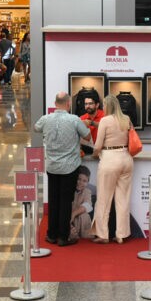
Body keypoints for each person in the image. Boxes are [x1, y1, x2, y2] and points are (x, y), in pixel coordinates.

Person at [34, 92, 91, 246]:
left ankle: (51, 235)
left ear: (55, 102)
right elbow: (88, 136)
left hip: (52, 166)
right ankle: (63, 237)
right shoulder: (74, 120)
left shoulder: (46, 119)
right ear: (68, 104)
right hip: (69, 167)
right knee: (66, 202)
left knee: (53, 200)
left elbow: (36, 128)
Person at [90, 95, 134, 244]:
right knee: (123, 199)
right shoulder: (126, 119)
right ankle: (121, 234)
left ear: (107, 106)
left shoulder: (105, 120)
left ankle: (103, 235)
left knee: (103, 199)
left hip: (109, 159)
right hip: (126, 159)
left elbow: (97, 145)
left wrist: (95, 154)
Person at [69, 165, 94, 241]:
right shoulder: (69, 189)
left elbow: (88, 205)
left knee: (84, 215)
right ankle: (71, 232)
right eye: (79, 179)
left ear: (87, 182)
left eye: (84, 181)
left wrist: (74, 214)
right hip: (69, 218)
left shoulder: (87, 191)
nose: (81, 183)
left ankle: (81, 234)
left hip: (78, 219)